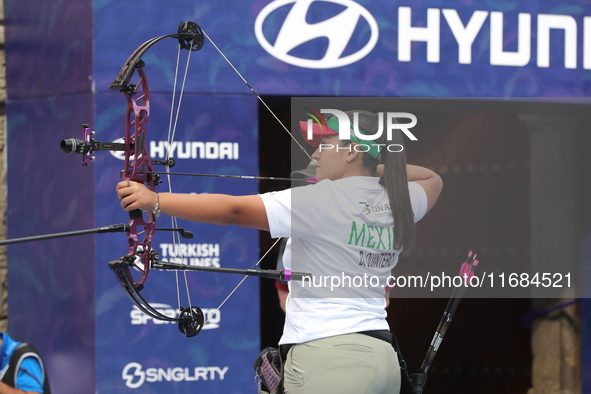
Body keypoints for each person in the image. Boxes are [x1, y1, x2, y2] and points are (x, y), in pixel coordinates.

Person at [116, 110, 442, 394]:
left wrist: (153, 201)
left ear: (352, 151)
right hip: (381, 358)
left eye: (325, 145)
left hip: (330, 356)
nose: (315, 154)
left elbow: (233, 211)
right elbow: (433, 179)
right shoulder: (400, 201)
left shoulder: (323, 199)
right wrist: (373, 171)